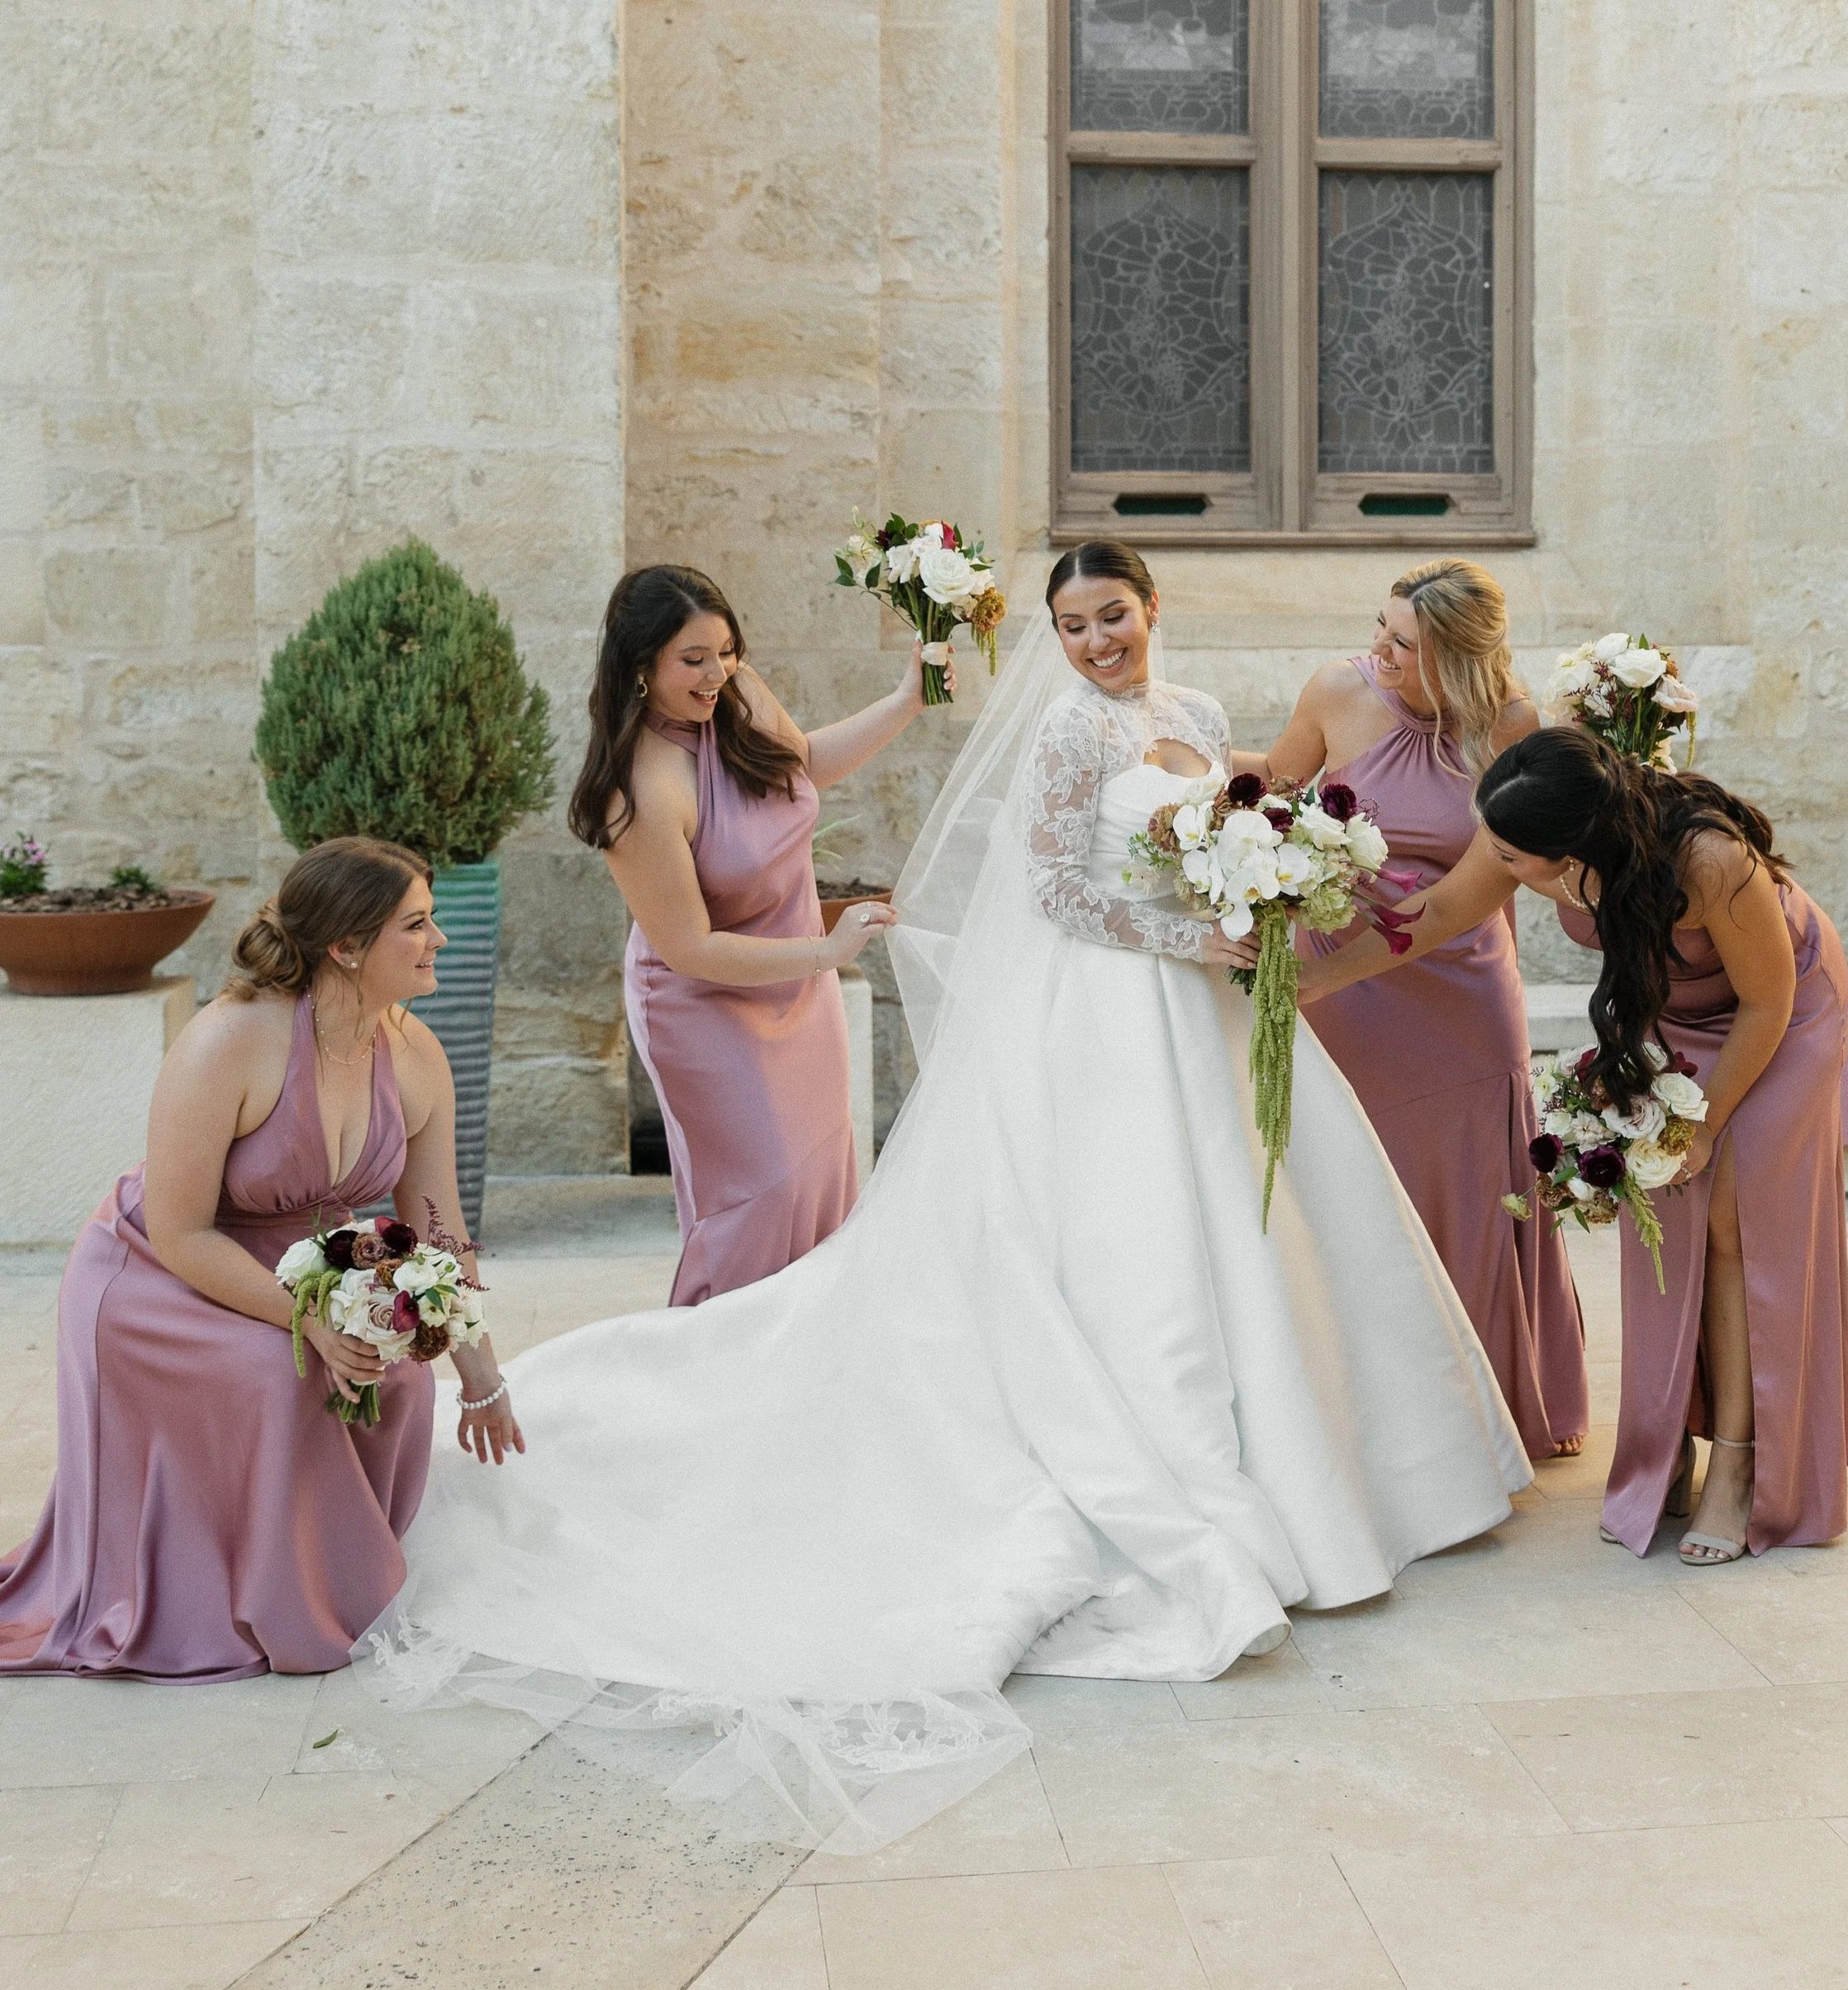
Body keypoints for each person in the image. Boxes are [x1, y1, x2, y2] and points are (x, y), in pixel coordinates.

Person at [363, 541, 1529, 1855]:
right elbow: (1059, 891)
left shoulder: (1199, 721)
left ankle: (1335, 1468)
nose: (1096, 642)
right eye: (1073, 624)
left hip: (1203, 1005)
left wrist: (1256, 893)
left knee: (1273, 1229)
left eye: (1114, 616)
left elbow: (1232, 829)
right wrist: (1190, 933)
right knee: (1127, 1249)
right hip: (1105, 1013)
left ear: (1155, 611)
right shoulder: (1067, 738)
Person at [1299, 726, 1848, 1564]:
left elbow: (1768, 1003)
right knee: (1661, 1226)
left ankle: (1741, 1467)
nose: (1496, 862)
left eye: (1514, 856)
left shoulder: (1708, 861)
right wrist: (1309, 981)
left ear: (1573, 856)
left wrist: (1704, 1128)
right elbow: (1443, 911)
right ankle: (1667, 1444)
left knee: (1734, 1227)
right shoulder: (1524, 836)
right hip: (1670, 1014)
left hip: (1781, 1020)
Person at [0, 838, 518, 1681]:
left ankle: (348, 1593)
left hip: (303, 1268)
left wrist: (481, 1373)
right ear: (346, 947)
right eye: (415, 925)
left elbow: (438, 1227)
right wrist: (311, 1322)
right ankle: (256, 1608)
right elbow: (180, 1231)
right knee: (287, 1376)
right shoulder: (231, 1041)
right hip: (156, 1277)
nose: (440, 941)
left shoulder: (416, 1055)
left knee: (403, 1379)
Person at [1240, 560, 1588, 1459]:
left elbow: (1463, 899)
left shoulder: (1509, 723)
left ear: (1460, 662)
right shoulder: (1336, 690)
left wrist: (1327, 976)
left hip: (1457, 985)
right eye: (1381, 628)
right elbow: (1272, 790)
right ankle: (1360, 1414)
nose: (1379, 650)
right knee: (1350, 1184)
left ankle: (1479, 1417)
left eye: (1405, 643)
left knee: (1473, 1183)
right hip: (1341, 988)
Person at [569, 565, 945, 1304]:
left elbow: (799, 766)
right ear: (640, 667)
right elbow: (690, 948)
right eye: (693, 659)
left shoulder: (735, 697)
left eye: (727, 650)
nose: (718, 673)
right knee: (763, 1195)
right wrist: (827, 953)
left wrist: (908, 701)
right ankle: (716, 1376)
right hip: (702, 1006)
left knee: (819, 1176)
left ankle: (804, 1371)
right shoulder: (639, 788)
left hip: (797, 991)